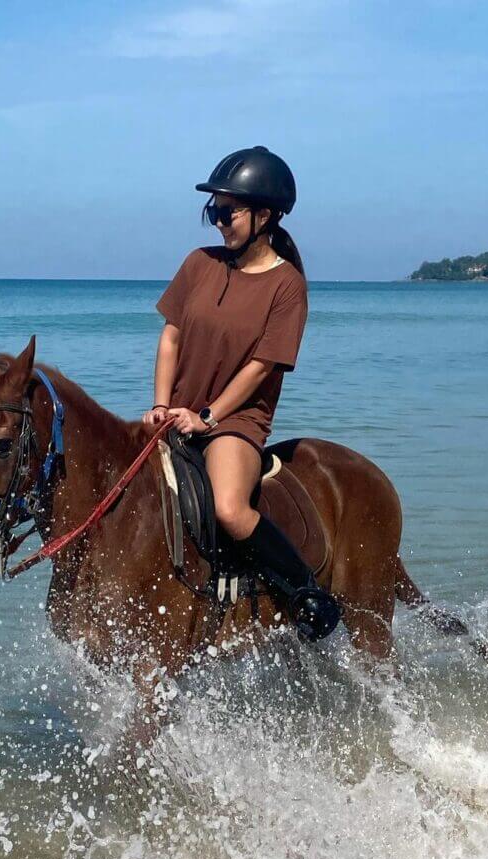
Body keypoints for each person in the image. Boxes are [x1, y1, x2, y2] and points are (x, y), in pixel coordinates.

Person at [143, 146, 339, 640]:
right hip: (177, 412)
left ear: (264, 215)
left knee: (229, 508)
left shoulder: (286, 286)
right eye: (214, 211)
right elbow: (171, 337)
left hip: (235, 422)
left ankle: (304, 590)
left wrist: (206, 417)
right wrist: (162, 405)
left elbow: (260, 368)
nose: (218, 223)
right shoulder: (198, 263)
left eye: (227, 212)